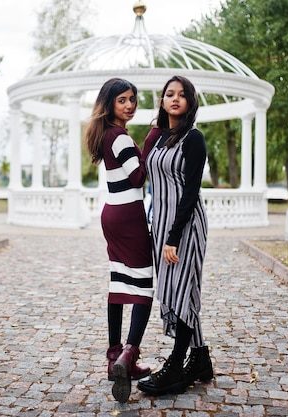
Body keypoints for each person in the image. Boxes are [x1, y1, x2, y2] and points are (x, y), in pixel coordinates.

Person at [137, 75, 214, 396]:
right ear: (163, 100)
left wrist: (173, 236)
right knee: (173, 291)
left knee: (183, 293)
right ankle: (200, 360)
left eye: (182, 95)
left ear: (190, 102)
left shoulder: (193, 139)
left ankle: (176, 367)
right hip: (161, 228)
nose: (175, 99)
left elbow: (191, 192)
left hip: (185, 228)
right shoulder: (159, 138)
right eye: (169, 94)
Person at [84, 78, 154, 403]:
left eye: (132, 100)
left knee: (118, 283)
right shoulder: (120, 136)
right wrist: (152, 138)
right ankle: (129, 357)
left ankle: (114, 358)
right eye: (123, 100)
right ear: (110, 103)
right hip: (129, 217)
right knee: (143, 287)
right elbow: (138, 176)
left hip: (111, 214)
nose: (129, 105)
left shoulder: (105, 134)